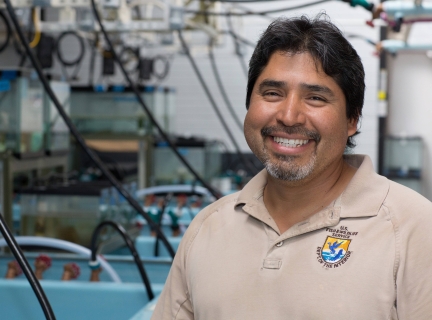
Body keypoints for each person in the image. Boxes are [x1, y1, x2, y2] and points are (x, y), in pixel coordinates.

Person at [152, 14, 432, 319]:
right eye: (272, 93)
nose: (289, 116)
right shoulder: (207, 228)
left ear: (352, 120)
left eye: (315, 98)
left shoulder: (413, 230)